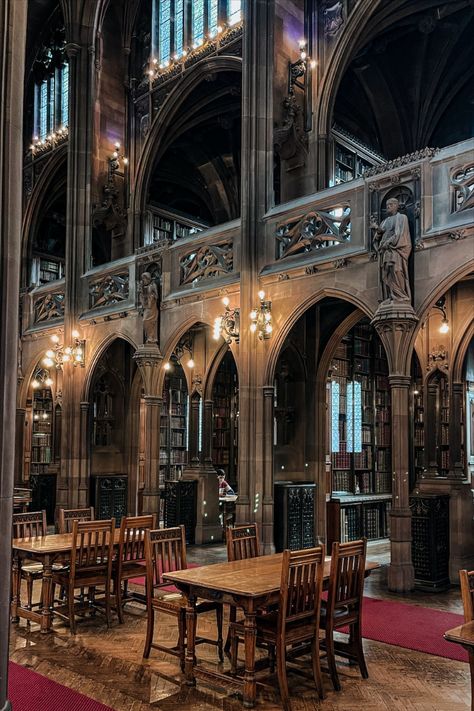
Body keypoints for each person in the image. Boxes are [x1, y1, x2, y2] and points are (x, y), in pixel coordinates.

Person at [371, 198, 412, 304]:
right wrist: (377, 229)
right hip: (385, 251)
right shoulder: (385, 221)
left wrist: (389, 242)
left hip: (395, 249)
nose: (388, 206)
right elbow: (379, 235)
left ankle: (400, 295)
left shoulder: (402, 218)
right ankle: (391, 295)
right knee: (387, 273)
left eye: (390, 204)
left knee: (397, 270)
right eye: (387, 205)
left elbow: (401, 234)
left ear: (396, 206)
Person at [138, 271, 159, 343]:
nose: (144, 281)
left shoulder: (153, 285)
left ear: (148, 279)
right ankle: (149, 337)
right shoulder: (143, 287)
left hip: (152, 307)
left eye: (145, 279)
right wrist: (142, 293)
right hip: (146, 307)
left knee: (148, 321)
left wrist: (151, 296)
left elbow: (156, 296)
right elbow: (141, 298)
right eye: (143, 279)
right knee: (145, 321)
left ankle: (152, 337)